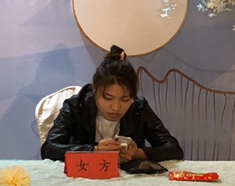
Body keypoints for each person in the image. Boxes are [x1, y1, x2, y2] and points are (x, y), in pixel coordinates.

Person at [41, 45, 184, 164]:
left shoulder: (138, 108)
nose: (116, 107)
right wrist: (94, 151)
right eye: (108, 98)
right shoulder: (76, 106)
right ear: (95, 90)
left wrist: (139, 153)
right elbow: (49, 149)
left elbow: (174, 149)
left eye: (125, 99)